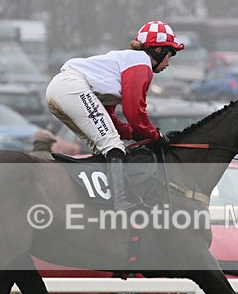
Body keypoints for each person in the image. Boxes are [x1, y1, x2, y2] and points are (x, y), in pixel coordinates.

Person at [45, 20, 184, 210]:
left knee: (103, 147)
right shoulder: (141, 63)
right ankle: (120, 202)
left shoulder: (125, 64)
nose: (168, 62)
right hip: (71, 88)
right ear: (158, 50)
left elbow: (110, 119)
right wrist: (153, 135)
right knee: (112, 145)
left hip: (59, 90)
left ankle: (98, 199)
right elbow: (135, 111)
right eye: (169, 55)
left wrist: (134, 134)